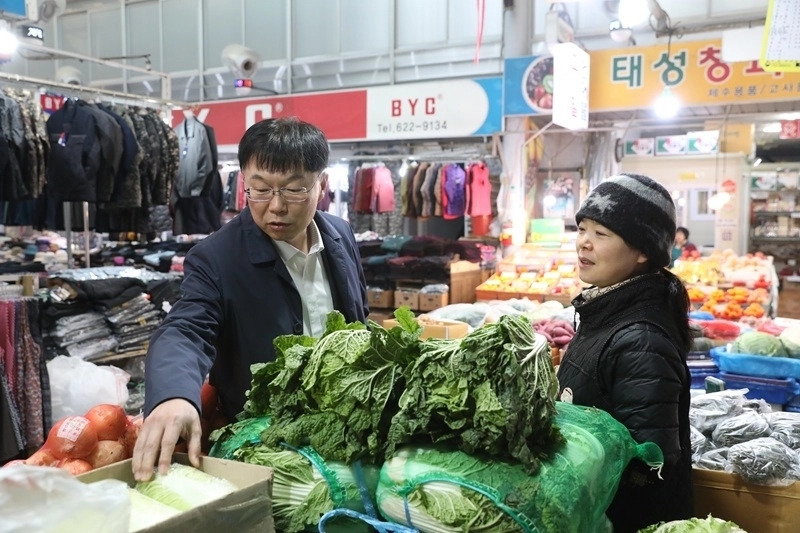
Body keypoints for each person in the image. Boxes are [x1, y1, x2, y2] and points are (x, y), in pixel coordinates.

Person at [132, 118, 369, 481]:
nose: (275, 207)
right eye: (259, 190)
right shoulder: (217, 257)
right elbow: (185, 330)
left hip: (348, 427)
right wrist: (173, 396)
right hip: (268, 445)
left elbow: (359, 319)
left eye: (293, 190)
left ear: (322, 185)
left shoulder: (339, 234)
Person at [557, 173, 694, 532]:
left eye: (600, 234)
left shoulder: (641, 340)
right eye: (582, 229)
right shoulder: (604, 311)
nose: (584, 243)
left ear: (643, 251)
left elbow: (649, 469)